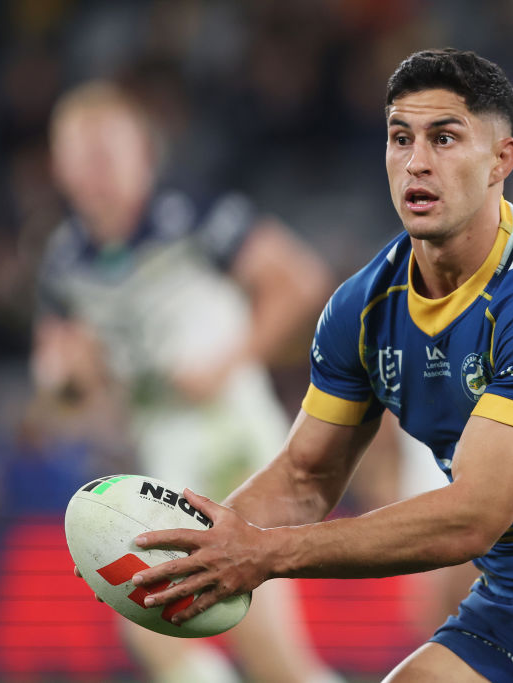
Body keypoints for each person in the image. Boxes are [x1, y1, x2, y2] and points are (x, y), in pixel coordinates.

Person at [127, 48, 513, 683]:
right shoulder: (362, 307)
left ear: (501, 162)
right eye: (400, 138)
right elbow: (305, 476)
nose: (416, 162)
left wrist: (266, 554)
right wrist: (200, 546)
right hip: (511, 599)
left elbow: (472, 517)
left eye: (444, 138)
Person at [35, 81, 341, 683]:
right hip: (163, 457)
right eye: (80, 155)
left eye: (106, 152)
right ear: (59, 166)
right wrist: (68, 379)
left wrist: (230, 359)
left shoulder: (194, 214)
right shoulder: (65, 259)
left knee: (259, 643)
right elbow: (60, 379)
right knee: (151, 627)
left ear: (142, 153)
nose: (95, 172)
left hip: (234, 439)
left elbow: (300, 280)